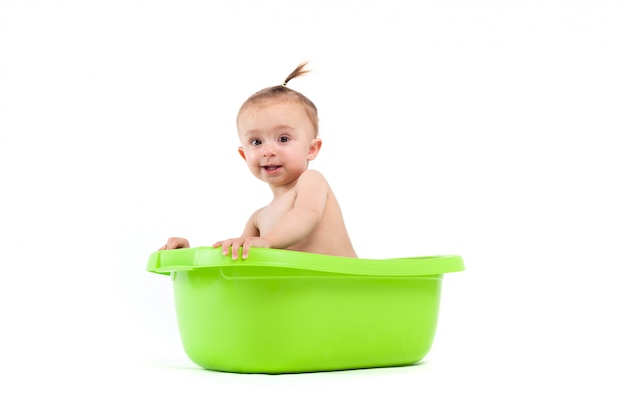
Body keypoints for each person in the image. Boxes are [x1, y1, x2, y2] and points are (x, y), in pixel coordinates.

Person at [160, 62, 357, 259]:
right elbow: (237, 257)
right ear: (244, 155)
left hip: (349, 286)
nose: (268, 151)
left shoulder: (311, 181)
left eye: (283, 139)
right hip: (307, 289)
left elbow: (307, 216)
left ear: (312, 149)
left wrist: (267, 241)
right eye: (256, 141)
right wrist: (186, 255)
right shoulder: (258, 219)